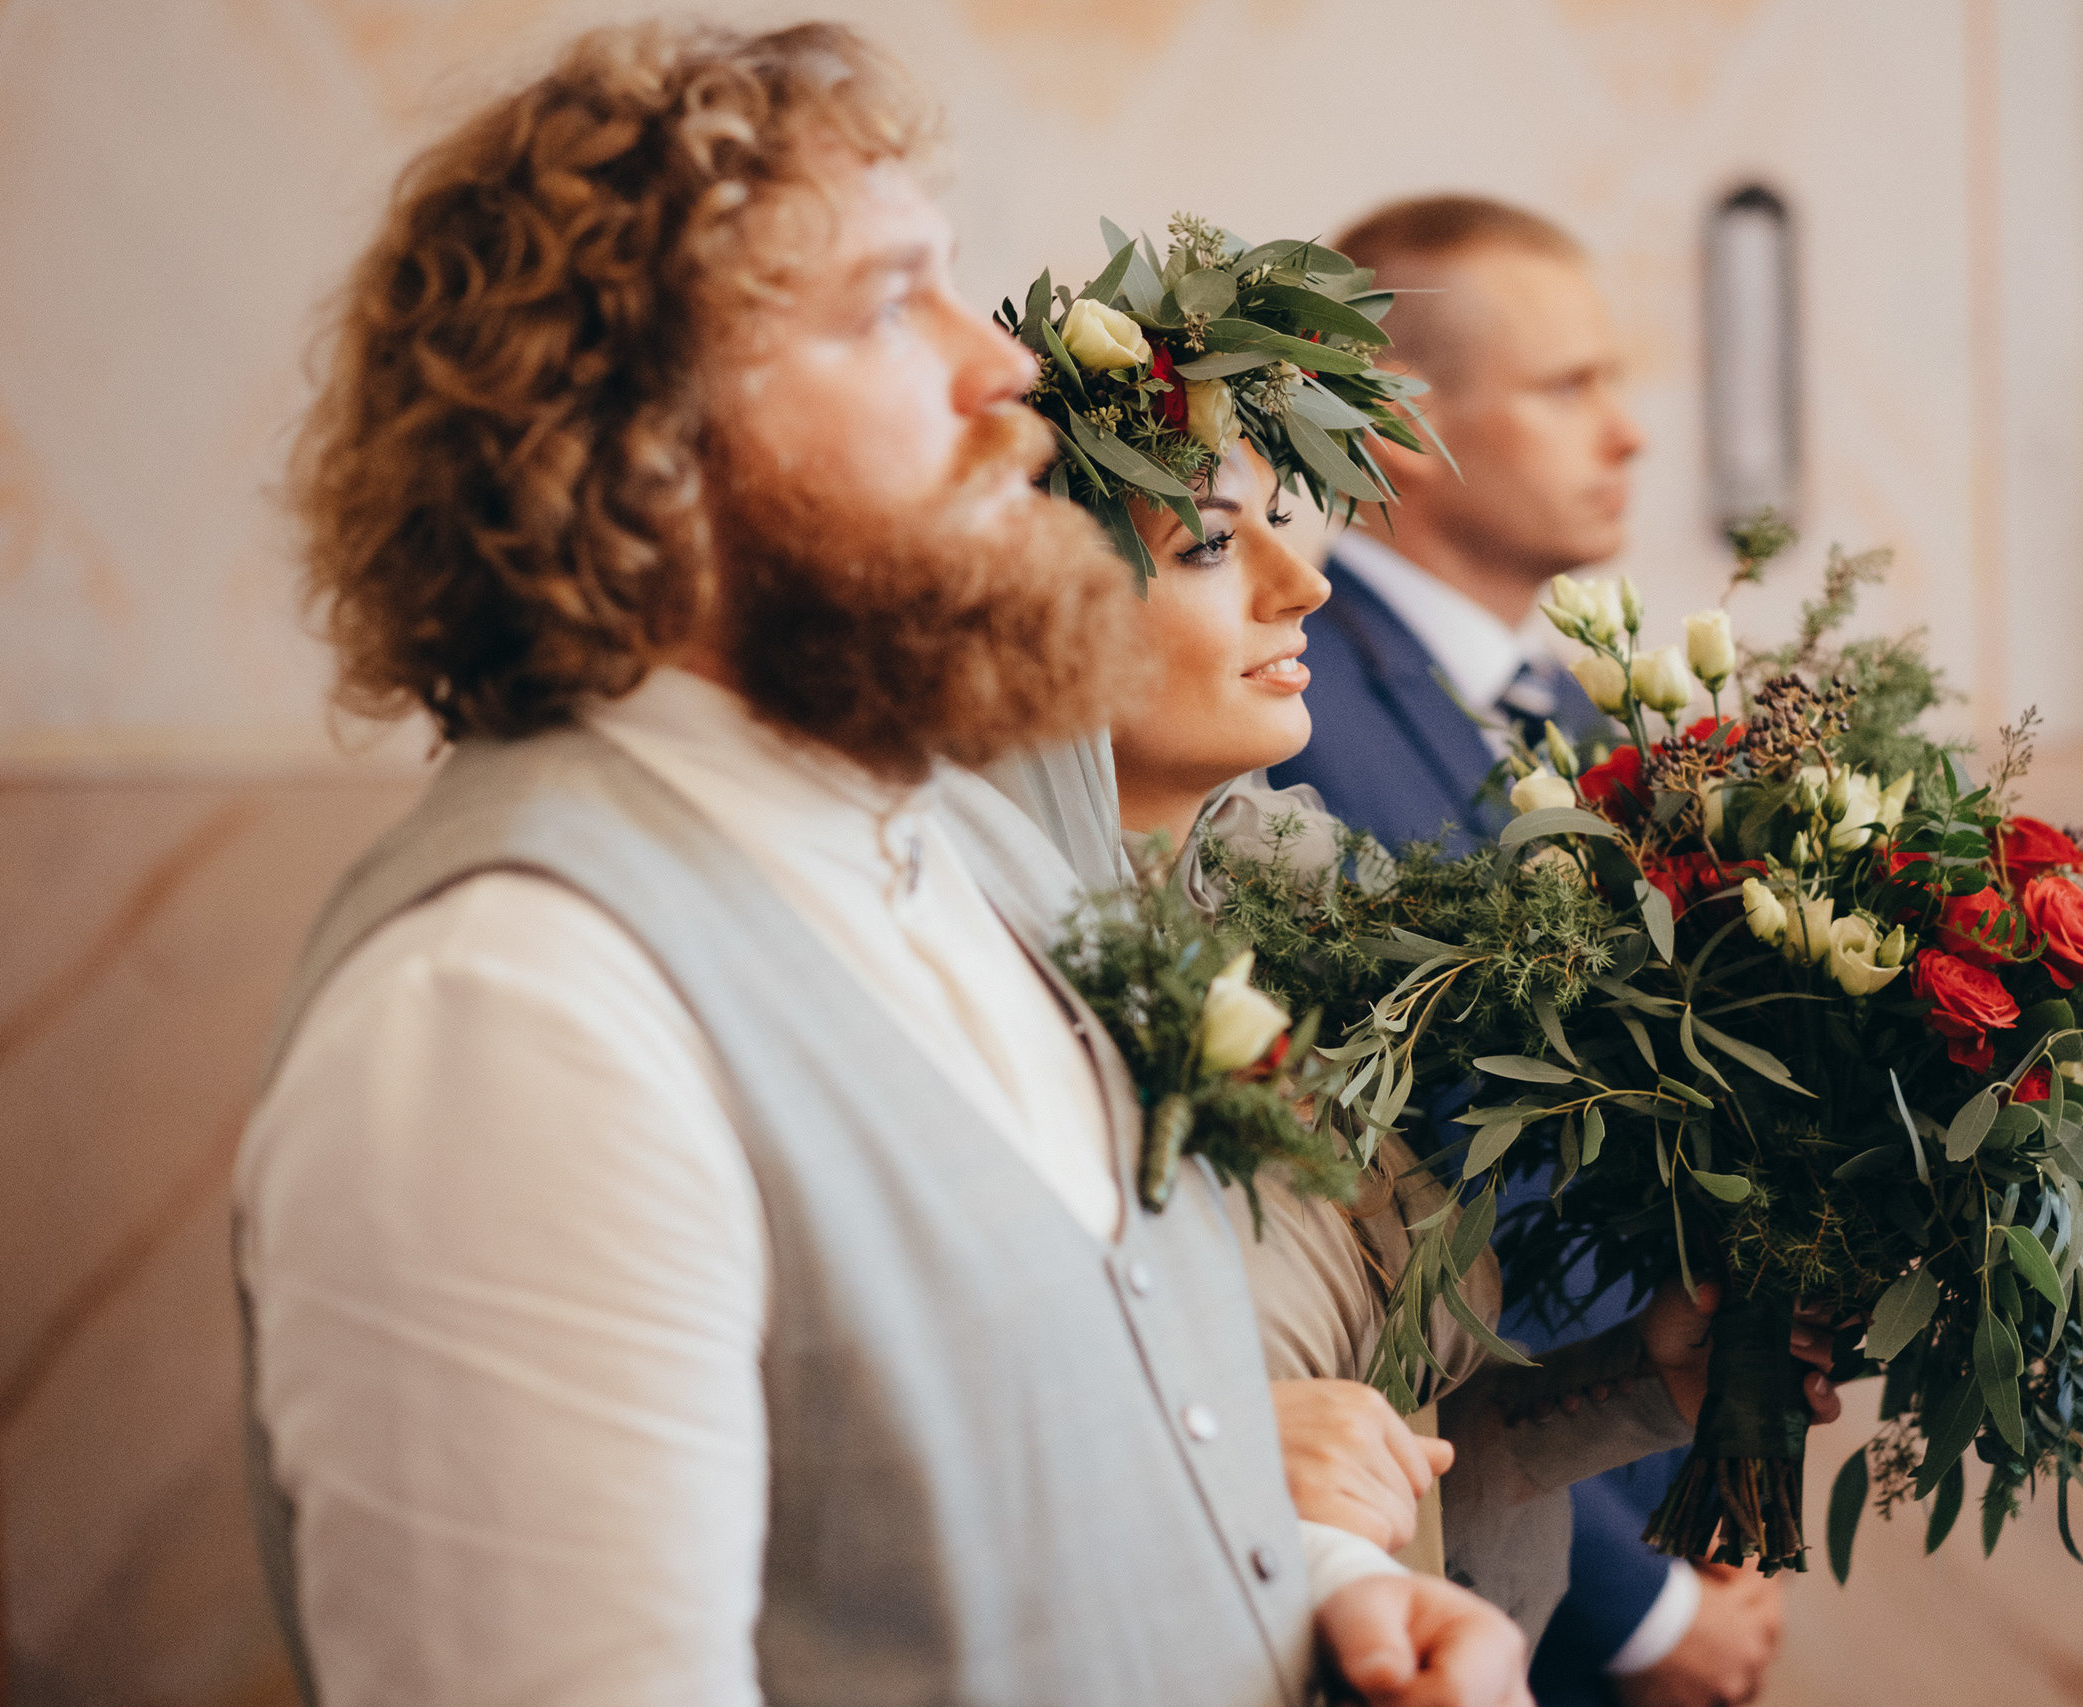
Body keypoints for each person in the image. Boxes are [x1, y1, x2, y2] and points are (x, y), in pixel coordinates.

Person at [232, 22, 1530, 1706]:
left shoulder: (972, 863)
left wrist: (1338, 1594)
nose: (997, 372)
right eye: (884, 305)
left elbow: (1065, 1446)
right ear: (642, 452)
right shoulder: (512, 1007)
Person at [1014, 372, 1837, 1665]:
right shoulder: (1006, 1011)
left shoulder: (1293, 934)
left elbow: (1396, 1448)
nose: (1306, 583)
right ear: (1036, 621)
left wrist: (1638, 1380)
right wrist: (1213, 1432)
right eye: (1216, 543)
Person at [1268, 195, 1794, 1707]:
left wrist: (1725, 1514)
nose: (1627, 434)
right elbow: (1378, 1241)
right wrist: (1634, 1612)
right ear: (1406, 425)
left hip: (1666, 1492)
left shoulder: (1578, 714)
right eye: (1569, 388)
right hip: (1481, 1580)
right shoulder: (1297, 734)